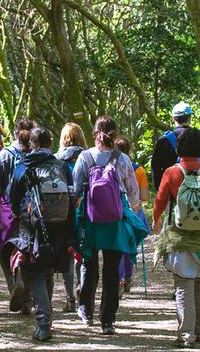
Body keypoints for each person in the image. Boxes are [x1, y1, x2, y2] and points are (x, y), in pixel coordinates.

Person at [152, 127, 200, 347]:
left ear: (179, 147)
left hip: (179, 235)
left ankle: (186, 334)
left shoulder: (171, 172)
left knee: (183, 284)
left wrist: (155, 220)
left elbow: (160, 201)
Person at [72, 116, 147, 335]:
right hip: (115, 221)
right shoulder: (122, 159)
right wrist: (130, 211)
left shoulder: (84, 157)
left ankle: (86, 311)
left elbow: (76, 191)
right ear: (115, 134)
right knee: (112, 270)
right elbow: (133, 194)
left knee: (89, 265)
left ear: (95, 133)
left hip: (91, 220)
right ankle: (108, 321)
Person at [8, 128, 76, 341]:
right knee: (48, 269)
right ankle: (46, 318)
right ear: (50, 143)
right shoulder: (62, 166)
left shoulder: (24, 166)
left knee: (36, 271)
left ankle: (44, 322)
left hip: (33, 224)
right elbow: (73, 195)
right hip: (61, 224)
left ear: (32, 144)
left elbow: (13, 195)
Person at [0, 118, 37, 315]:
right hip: (34, 209)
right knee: (30, 251)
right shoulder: (38, 154)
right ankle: (27, 298)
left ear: (15, 134)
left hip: (9, 210)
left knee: (5, 250)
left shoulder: (5, 154)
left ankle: (15, 285)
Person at [55, 122, 88, 313]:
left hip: (62, 211)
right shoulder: (88, 157)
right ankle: (81, 289)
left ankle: (69, 299)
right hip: (84, 210)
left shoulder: (56, 159)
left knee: (67, 253)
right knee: (82, 252)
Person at [114, 136, 151, 297]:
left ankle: (120, 277)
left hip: (114, 210)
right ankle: (126, 277)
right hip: (134, 212)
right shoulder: (139, 170)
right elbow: (144, 197)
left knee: (117, 246)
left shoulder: (108, 167)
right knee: (129, 246)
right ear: (129, 150)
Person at [151, 102, 200, 192]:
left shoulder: (163, 141)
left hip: (172, 192)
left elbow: (155, 167)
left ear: (173, 118)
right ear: (189, 118)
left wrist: (160, 189)